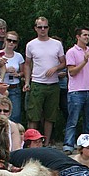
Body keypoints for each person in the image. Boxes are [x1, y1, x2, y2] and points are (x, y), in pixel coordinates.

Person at [23, 16, 66, 146]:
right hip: (37, 82)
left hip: (53, 84)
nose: (43, 29)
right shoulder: (31, 45)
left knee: (50, 116)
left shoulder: (56, 44)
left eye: (45, 27)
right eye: (40, 27)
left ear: (48, 28)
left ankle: (46, 143)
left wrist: (56, 68)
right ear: (35, 28)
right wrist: (27, 82)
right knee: (33, 115)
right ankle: (32, 143)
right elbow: (27, 64)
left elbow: (64, 62)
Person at [63, 27, 89, 154]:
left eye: (88, 35)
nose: (87, 37)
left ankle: (87, 145)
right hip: (76, 90)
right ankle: (68, 145)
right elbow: (72, 72)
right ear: (78, 36)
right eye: (84, 35)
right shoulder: (71, 52)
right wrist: (84, 61)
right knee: (73, 119)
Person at [1, 31, 25, 123]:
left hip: (15, 87)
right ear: (5, 40)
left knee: (15, 115)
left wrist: (18, 74)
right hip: (2, 87)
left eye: (14, 41)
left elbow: (23, 72)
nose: (11, 43)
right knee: (1, 115)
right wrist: (5, 70)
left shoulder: (18, 56)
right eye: (9, 40)